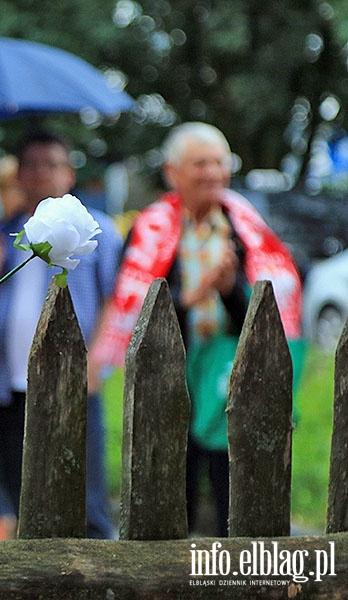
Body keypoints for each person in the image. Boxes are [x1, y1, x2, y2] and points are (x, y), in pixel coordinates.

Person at [93, 122, 303, 536]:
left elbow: (264, 318)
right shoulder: (149, 229)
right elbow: (136, 310)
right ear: (172, 173)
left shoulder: (245, 226)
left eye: (219, 163)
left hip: (230, 378)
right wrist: (196, 293)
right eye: (199, 163)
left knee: (235, 485)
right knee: (172, 485)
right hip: (172, 379)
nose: (212, 173)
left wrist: (228, 290)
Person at [0, 130, 122, 541]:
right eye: (32, 165)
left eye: (51, 164)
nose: (41, 174)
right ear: (18, 175)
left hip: (72, 378)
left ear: (69, 175)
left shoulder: (98, 231)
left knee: (83, 486)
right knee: (21, 485)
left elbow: (117, 300)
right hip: (8, 380)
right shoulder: (2, 231)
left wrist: (97, 361)